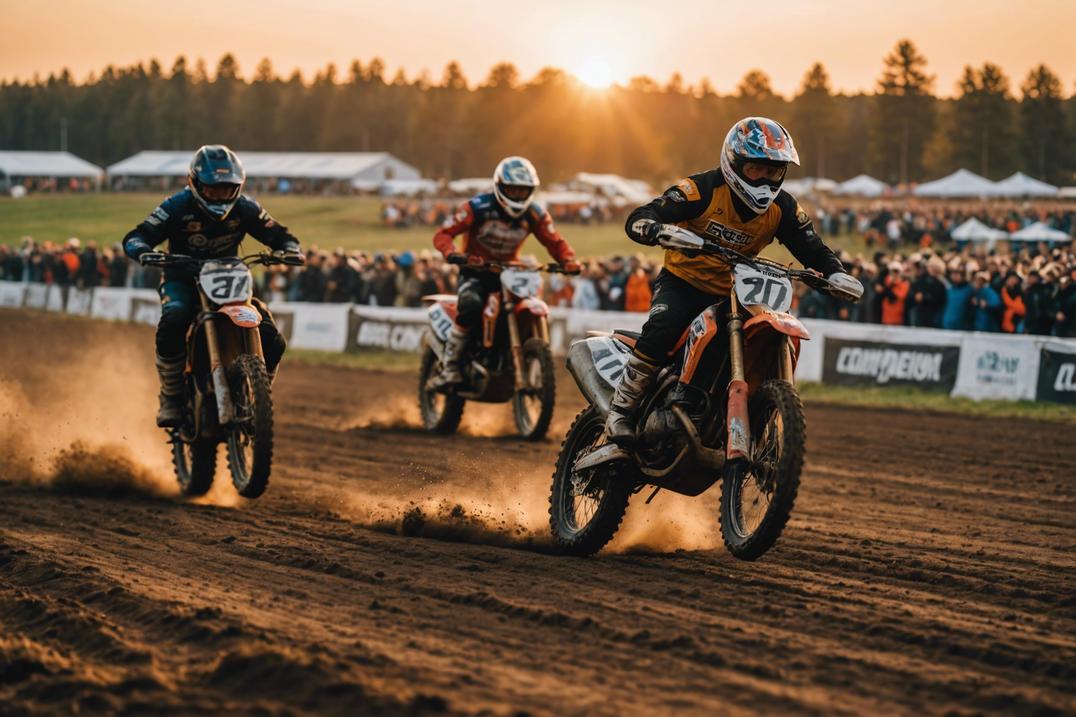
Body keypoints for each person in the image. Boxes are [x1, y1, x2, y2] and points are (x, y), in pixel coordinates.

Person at [604, 117, 860, 446]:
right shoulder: (702, 189)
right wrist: (656, 229)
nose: (766, 180)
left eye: (774, 172)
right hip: (684, 282)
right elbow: (645, 214)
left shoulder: (782, 207)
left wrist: (835, 272)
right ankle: (620, 412)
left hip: (735, 294)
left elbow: (811, 246)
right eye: (757, 169)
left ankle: (725, 413)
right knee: (663, 327)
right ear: (734, 163)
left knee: (748, 339)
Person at [122, 145, 302, 427]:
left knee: (272, 337)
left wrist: (289, 248)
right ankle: (171, 395)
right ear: (195, 183)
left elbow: (278, 234)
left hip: (229, 278)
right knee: (175, 318)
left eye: (227, 189)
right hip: (182, 276)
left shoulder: (245, 208)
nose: (220, 196)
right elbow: (138, 235)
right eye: (213, 189)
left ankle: (259, 396)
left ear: (238, 186)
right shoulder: (177, 206)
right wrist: (143, 250)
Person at [429, 156, 580, 388]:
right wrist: (452, 253)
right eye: (513, 189)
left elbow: (555, 241)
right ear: (500, 186)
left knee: (528, 301)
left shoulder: (535, 214)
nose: (518, 195)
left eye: (523, 191)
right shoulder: (477, 207)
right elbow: (443, 233)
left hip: (511, 274)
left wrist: (568, 260)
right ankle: (451, 365)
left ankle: (516, 354)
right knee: (470, 303)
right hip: (476, 271)